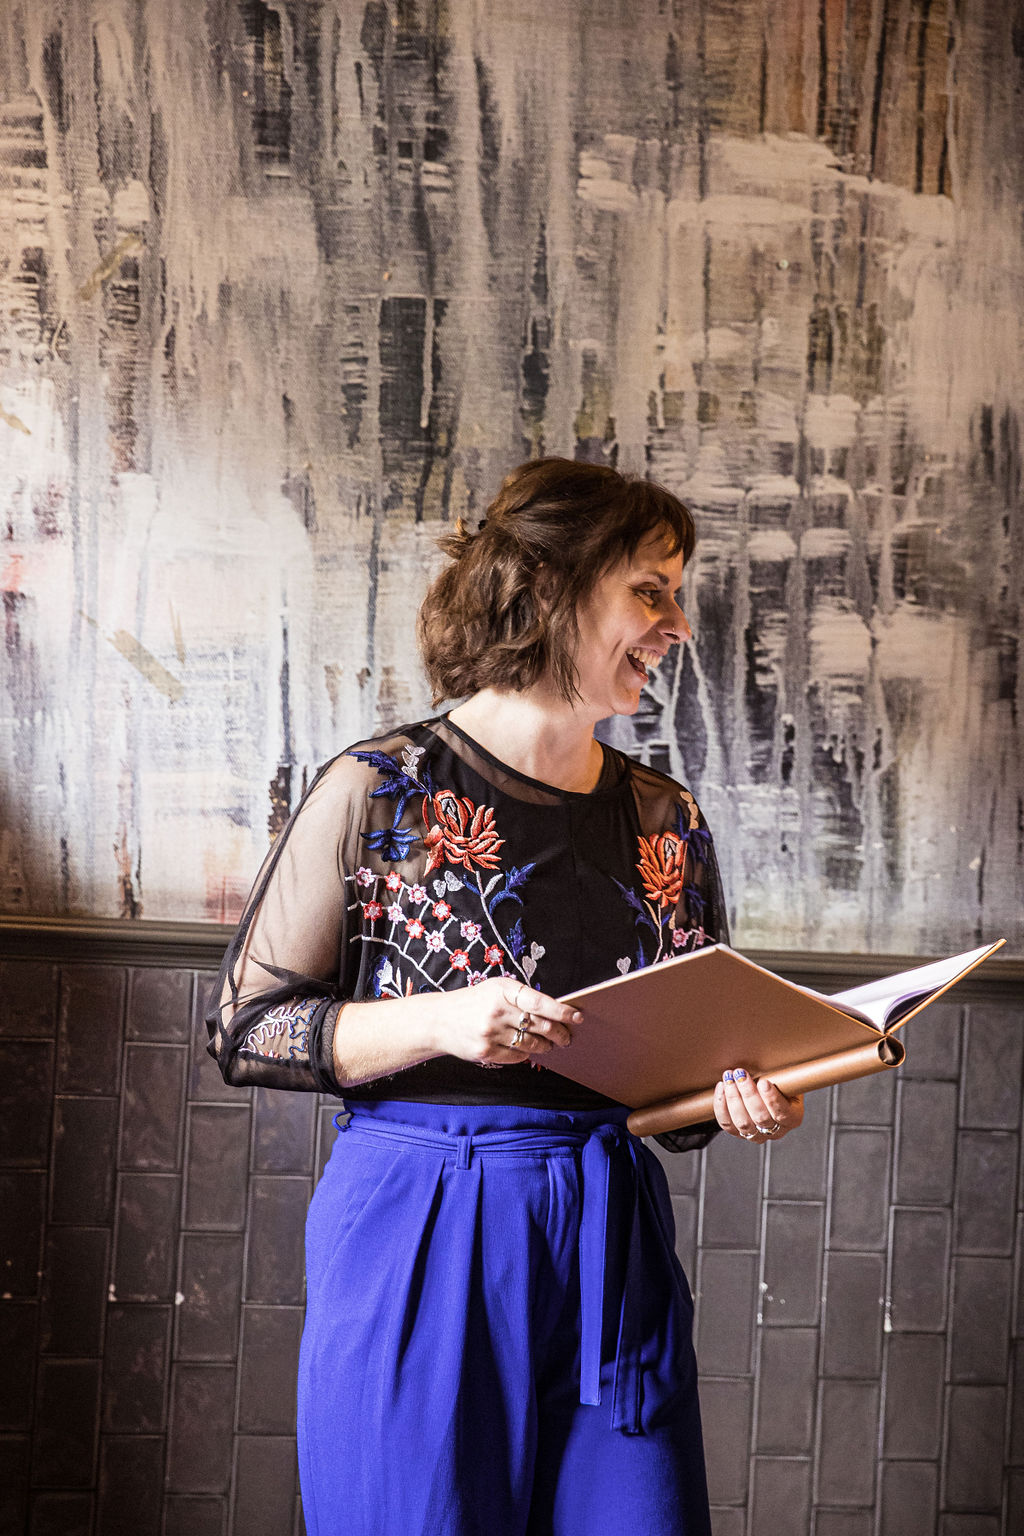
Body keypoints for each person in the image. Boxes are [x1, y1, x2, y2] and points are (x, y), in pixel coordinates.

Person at [207, 456, 803, 1536]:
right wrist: (445, 1017)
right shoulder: (376, 791)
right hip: (420, 1226)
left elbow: (682, 1082)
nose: (675, 625)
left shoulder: (669, 820)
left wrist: (735, 1094)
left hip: (609, 1236)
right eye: (650, 590)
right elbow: (248, 1029)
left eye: (677, 594)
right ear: (549, 584)